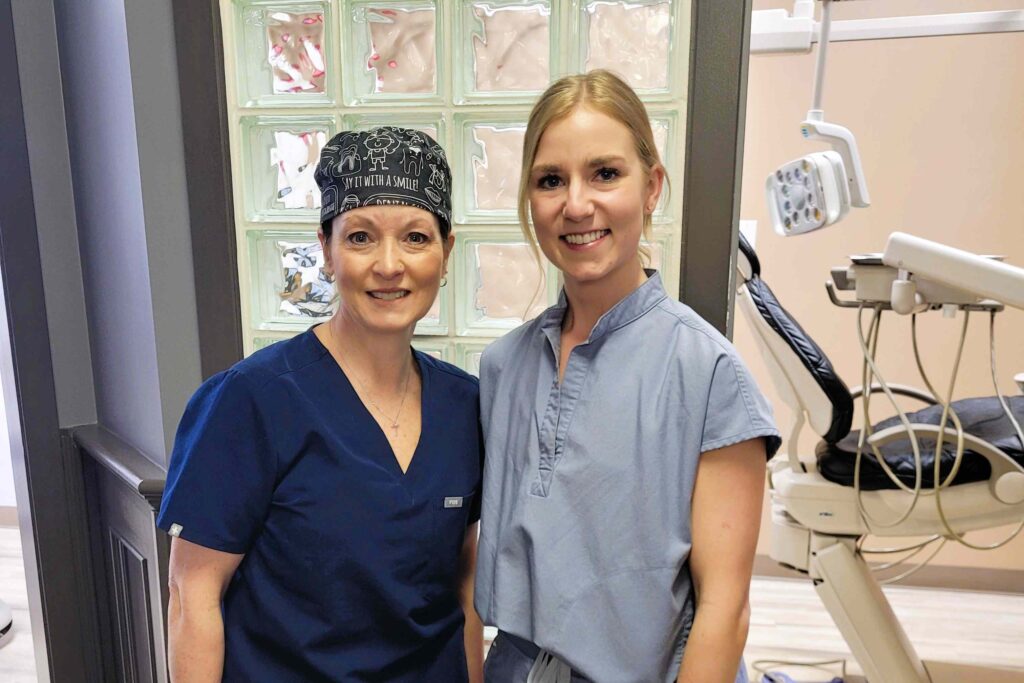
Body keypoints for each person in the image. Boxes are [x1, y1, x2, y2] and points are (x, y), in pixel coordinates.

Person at [474, 71, 782, 683]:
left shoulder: (707, 373)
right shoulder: (502, 367)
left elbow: (725, 611)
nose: (576, 205)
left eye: (605, 174)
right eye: (550, 180)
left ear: (651, 187)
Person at [158, 127, 484, 682]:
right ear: (327, 251)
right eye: (360, 238)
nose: (389, 264)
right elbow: (193, 594)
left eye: (415, 237)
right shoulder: (251, 400)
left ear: (445, 252)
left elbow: (463, 586)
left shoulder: (464, 406)